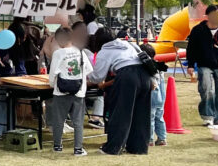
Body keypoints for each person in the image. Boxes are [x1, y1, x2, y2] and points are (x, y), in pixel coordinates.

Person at [88, 26, 150, 156]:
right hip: (145, 75)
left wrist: (87, 75)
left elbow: (98, 77)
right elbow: (144, 57)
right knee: (141, 113)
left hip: (126, 75)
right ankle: (138, 147)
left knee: (121, 113)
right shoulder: (128, 44)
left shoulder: (104, 51)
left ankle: (112, 148)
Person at [185, 4, 218, 127]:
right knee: (207, 90)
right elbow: (191, 49)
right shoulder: (198, 30)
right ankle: (208, 116)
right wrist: (190, 65)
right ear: (207, 16)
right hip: (203, 64)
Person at [46, 26, 92, 155]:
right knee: (78, 121)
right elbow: (89, 70)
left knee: (59, 120)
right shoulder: (80, 51)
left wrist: (51, 84)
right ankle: (78, 148)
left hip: (61, 90)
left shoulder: (58, 53)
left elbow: (53, 72)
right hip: (79, 90)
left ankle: (57, 146)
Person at [142, 42, 169, 147]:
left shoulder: (148, 66)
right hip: (161, 96)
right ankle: (162, 138)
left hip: (153, 96)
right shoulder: (158, 65)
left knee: (150, 118)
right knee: (159, 117)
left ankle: (149, 139)